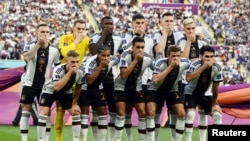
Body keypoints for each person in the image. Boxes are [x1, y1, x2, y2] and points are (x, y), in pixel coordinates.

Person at [19, 23, 60, 141]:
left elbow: (58, 68)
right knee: (25, 110)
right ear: (37, 34)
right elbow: (26, 58)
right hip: (29, 84)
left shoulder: (54, 51)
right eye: (42, 32)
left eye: (47, 32)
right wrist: (38, 45)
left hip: (45, 86)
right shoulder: (30, 45)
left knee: (45, 113)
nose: (45, 34)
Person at [151, 12, 186, 140]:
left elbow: (183, 55)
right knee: (157, 110)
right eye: (166, 21)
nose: (169, 23)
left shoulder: (179, 35)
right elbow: (159, 50)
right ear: (161, 22)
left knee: (176, 111)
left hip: (176, 79)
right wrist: (165, 33)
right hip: (160, 76)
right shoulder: (156, 34)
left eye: (171, 21)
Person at [120, 13, 154, 141]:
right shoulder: (125, 38)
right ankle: (129, 138)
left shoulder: (150, 40)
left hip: (145, 80)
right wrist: (135, 37)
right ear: (132, 24)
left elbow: (153, 58)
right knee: (127, 111)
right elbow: (123, 53)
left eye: (142, 23)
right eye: (137, 23)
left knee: (144, 112)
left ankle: (145, 139)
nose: (140, 25)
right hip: (129, 80)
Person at [37, 50, 84, 141]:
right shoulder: (59, 69)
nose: (75, 64)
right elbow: (57, 87)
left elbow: (78, 87)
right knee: (44, 112)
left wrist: (74, 103)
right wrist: (69, 73)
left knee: (76, 112)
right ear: (67, 61)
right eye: (72, 62)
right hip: (50, 91)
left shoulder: (81, 71)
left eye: (77, 62)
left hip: (65, 92)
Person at [146, 45, 190, 141]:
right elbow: (155, 79)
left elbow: (194, 65)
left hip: (172, 90)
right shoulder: (160, 62)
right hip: (155, 89)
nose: (176, 58)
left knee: (181, 113)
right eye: (173, 56)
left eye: (178, 56)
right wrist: (170, 67)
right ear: (168, 55)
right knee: (152, 112)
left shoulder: (184, 63)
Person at [55, 19, 90, 141]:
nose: (81, 31)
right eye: (78, 29)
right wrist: (77, 40)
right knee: (60, 110)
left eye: (83, 29)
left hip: (77, 76)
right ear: (73, 28)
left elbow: (94, 51)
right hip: (64, 75)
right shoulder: (65, 38)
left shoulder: (87, 40)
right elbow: (64, 53)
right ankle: (58, 139)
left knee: (77, 110)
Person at [89, 16, 122, 141]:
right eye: (106, 24)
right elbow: (93, 51)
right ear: (101, 25)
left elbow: (120, 55)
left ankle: (112, 138)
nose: (109, 26)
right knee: (96, 110)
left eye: (111, 24)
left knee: (113, 110)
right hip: (96, 78)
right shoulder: (95, 37)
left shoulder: (118, 39)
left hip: (112, 79)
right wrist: (103, 36)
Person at [79, 46, 119, 141]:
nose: (106, 58)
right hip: (85, 88)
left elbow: (118, 59)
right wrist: (101, 67)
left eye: (108, 55)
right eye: (103, 55)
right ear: (98, 55)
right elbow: (89, 81)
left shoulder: (112, 60)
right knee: (85, 114)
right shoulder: (91, 62)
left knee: (102, 112)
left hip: (98, 87)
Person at [184, 45, 223, 141]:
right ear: (201, 56)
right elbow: (188, 78)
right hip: (190, 93)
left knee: (217, 114)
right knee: (190, 114)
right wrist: (203, 68)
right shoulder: (195, 64)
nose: (209, 59)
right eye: (206, 56)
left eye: (211, 56)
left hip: (205, 93)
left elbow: (215, 88)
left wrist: (213, 104)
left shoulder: (217, 67)